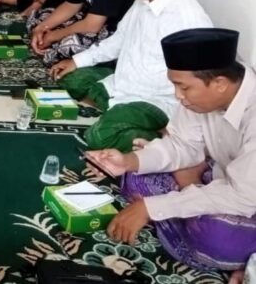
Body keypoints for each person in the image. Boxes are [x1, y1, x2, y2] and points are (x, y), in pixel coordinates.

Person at [86, 28, 256, 275]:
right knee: (137, 176)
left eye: (183, 88)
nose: (178, 96)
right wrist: (128, 161)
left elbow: (243, 197)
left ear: (219, 83)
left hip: (247, 200)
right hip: (221, 180)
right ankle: (184, 203)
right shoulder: (202, 98)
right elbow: (182, 145)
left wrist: (151, 208)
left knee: (216, 237)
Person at [49, 0, 213, 152]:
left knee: (100, 137)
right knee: (70, 77)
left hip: (153, 101)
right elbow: (119, 39)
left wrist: (177, 127)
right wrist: (77, 61)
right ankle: (114, 117)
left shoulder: (187, 19)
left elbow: (193, 85)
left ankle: (157, 140)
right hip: (121, 85)